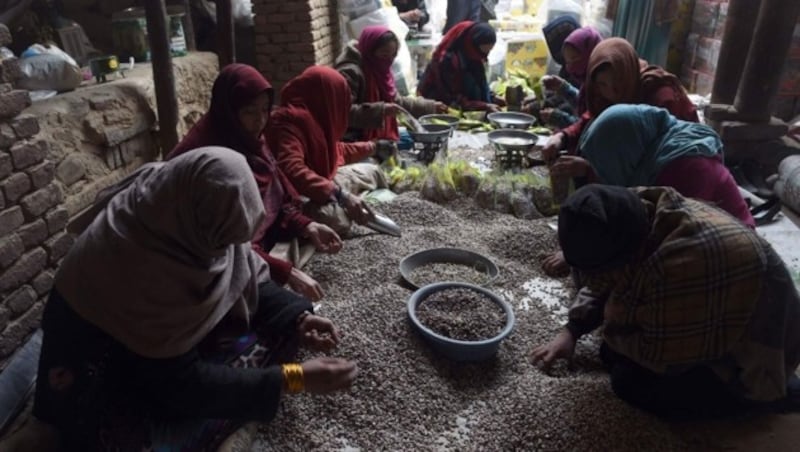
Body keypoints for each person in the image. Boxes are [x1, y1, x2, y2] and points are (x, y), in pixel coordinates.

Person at [32, 148, 358, 451]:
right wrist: (294, 378)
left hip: (157, 352)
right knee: (159, 433)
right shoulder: (140, 264)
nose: (231, 251)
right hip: (100, 377)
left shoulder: (182, 210)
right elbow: (182, 388)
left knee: (281, 334)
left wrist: (298, 317)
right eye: (224, 242)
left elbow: (240, 269)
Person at [532, 184, 800, 417]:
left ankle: (766, 398)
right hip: (713, 297)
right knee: (611, 352)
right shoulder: (634, 207)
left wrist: (614, 321)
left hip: (761, 348)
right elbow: (604, 278)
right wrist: (573, 330)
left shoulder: (678, 264)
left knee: (629, 383)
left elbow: (662, 357)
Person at [167, 64, 342, 302]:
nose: (260, 121)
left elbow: (277, 196)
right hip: (197, 260)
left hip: (251, 245)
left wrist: (306, 225)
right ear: (229, 111)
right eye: (249, 112)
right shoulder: (213, 161)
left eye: (264, 110)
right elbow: (227, 249)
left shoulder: (253, 144)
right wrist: (286, 272)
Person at [543, 104, 754, 276]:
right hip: (697, 241)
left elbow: (648, 245)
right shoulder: (651, 149)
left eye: (605, 162)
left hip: (731, 262)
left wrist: (581, 255)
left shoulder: (683, 169)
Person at [267, 66, 393, 236]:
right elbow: (291, 169)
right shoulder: (287, 122)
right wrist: (340, 195)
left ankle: (358, 202)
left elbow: (336, 150)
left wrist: (372, 147)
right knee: (335, 218)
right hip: (298, 196)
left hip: (324, 183)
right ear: (326, 97)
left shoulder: (316, 117)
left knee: (374, 170)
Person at [541, 37, 698, 160]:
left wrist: (590, 169)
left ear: (627, 74)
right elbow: (591, 119)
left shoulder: (661, 98)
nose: (612, 92)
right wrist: (562, 137)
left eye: (617, 83)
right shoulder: (604, 94)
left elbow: (655, 158)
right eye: (603, 84)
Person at [335, 26, 447, 142]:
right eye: (384, 55)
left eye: (393, 56)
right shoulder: (351, 73)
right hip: (352, 139)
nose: (389, 60)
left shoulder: (379, 70)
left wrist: (430, 106)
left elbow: (397, 102)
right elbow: (343, 113)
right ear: (369, 50)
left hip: (373, 136)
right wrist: (380, 110)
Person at [525, 25, 603, 128]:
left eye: (574, 59)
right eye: (568, 61)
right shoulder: (588, 82)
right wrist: (562, 87)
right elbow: (582, 104)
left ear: (589, 55)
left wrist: (560, 118)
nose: (570, 68)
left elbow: (590, 127)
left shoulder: (603, 86)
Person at [418, 21, 502, 112]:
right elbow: (452, 98)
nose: (485, 56)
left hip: (464, 104)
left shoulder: (473, 55)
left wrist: (493, 98)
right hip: (439, 105)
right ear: (473, 44)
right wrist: (484, 106)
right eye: (484, 51)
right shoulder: (448, 61)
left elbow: (480, 83)